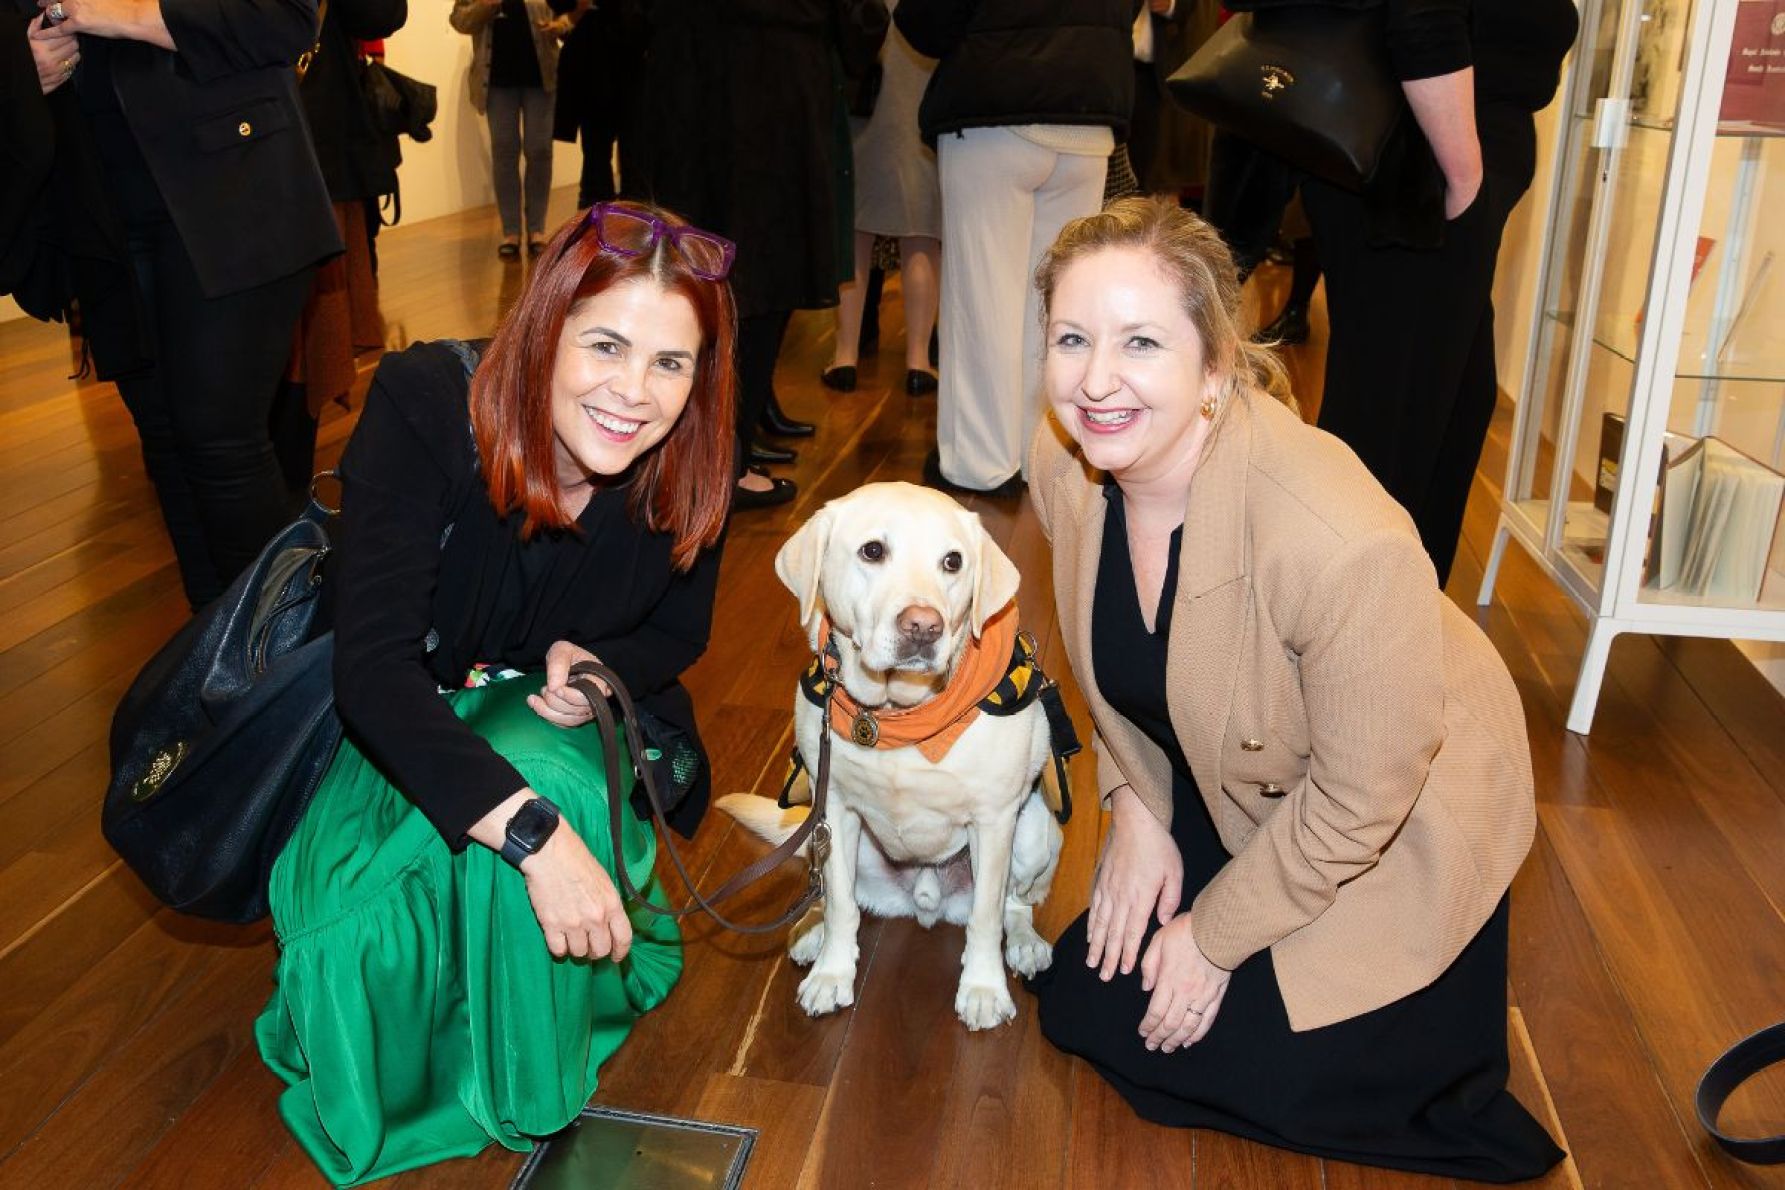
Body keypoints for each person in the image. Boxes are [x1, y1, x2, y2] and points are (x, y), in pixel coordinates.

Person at [1024, 197, 1564, 1183]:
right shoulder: (1067, 464)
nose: (1095, 380)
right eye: (1071, 337)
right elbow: (1112, 676)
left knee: (1237, 1057)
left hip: (1391, 809)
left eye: (1140, 341)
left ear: (1217, 365)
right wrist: (1134, 802)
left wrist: (1216, 933)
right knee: (1087, 998)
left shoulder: (1338, 538)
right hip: (1231, 759)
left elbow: (1367, 795)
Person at [254, 201, 735, 1185]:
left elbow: (678, 632)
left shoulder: (692, 457)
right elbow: (375, 671)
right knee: (352, 948)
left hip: (555, 730)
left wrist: (606, 664)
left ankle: (532, 1055)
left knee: (534, 778)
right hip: (400, 721)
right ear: (546, 324)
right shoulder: (430, 400)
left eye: (671, 364)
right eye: (606, 344)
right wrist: (534, 836)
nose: (634, 394)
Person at [21, 0, 341, 610]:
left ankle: (279, 666)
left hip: (233, 184)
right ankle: (214, 663)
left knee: (221, 444)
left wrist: (116, 14)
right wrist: (18, 66)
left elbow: (285, 18)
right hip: (99, 208)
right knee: (168, 445)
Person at [1300, 0, 1578, 587]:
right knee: (1390, 431)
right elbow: (1423, 12)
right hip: (1424, 169)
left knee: (1450, 411)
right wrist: (1465, 175)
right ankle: (1341, 642)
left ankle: (1399, 631)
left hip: (1429, 168)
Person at [896, 0, 1133, 497]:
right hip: (1089, 105)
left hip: (996, 103)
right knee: (1055, 305)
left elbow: (926, 22)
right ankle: (1040, 453)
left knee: (983, 301)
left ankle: (979, 463)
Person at [278, 0, 408, 500]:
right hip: (212, 151)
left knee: (310, 337)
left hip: (315, 147)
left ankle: (287, 493)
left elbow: (379, 13)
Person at [822, 0, 941, 399]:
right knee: (921, 239)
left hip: (866, 113)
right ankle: (918, 363)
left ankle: (844, 357)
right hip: (921, 118)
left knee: (855, 237)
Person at [450, 0, 573, 259]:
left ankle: (537, 229)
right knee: (505, 152)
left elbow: (568, 12)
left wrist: (559, 25)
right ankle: (511, 232)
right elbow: (460, 21)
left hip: (541, 76)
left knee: (539, 150)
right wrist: (487, 5)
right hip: (495, 80)